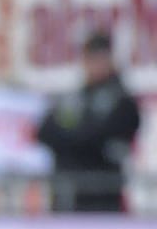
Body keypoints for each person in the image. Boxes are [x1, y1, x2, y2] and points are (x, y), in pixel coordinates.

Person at [35, 30, 141, 213]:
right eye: (90, 58)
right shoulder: (76, 98)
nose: (94, 65)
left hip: (104, 198)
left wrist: (71, 137)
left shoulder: (122, 101)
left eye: (100, 58)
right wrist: (78, 135)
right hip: (68, 198)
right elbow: (45, 132)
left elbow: (99, 136)